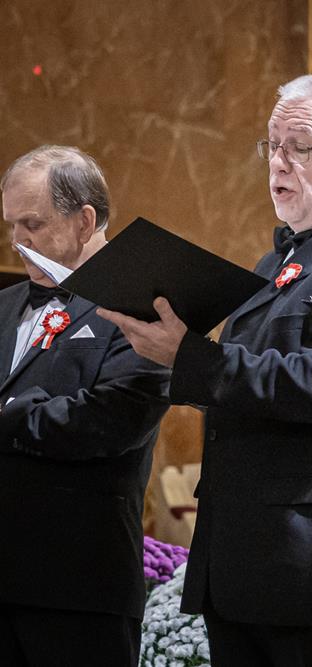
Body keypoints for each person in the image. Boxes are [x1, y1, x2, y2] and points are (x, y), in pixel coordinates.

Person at [100, 75, 312, 666]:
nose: (277, 162)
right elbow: (246, 386)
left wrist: (191, 357)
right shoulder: (277, 259)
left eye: (298, 147)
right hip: (244, 558)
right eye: (271, 146)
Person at [0, 145, 170, 666]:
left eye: (33, 224)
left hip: (79, 588)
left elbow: (110, 420)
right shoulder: (4, 305)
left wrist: (7, 415)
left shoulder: (147, 313)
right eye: (11, 226)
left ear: (85, 220)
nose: (18, 242)